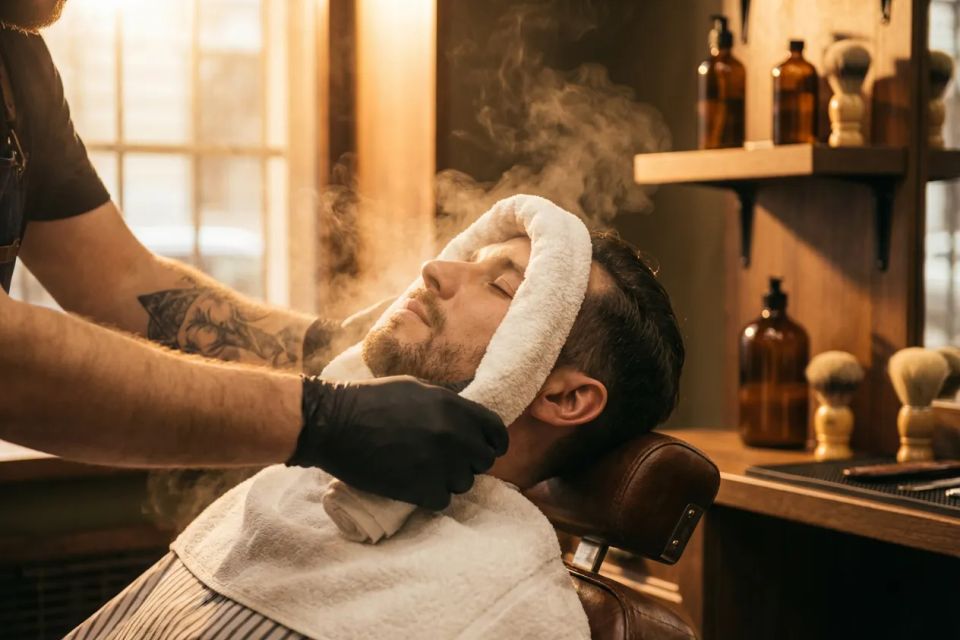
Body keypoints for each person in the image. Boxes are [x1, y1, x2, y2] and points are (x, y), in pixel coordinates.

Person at [0, 1, 507, 511]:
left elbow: (121, 281)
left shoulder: (19, 59)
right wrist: (320, 417)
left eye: (504, 283)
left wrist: (339, 346)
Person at [65, 231, 685, 640]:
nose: (437, 268)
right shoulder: (295, 488)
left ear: (564, 397)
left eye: (500, 284)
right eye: (469, 258)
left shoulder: (511, 613)